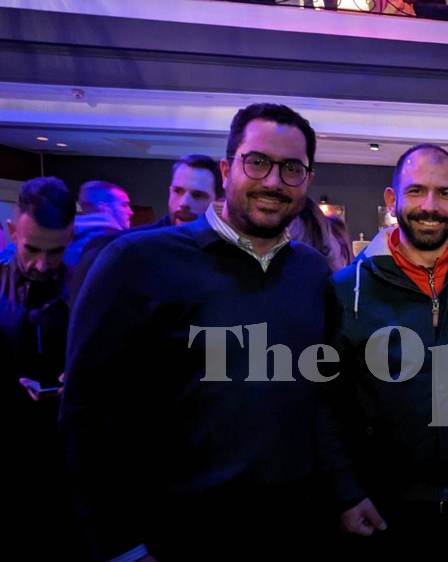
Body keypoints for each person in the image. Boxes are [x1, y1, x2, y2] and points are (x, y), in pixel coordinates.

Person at [62, 103, 353, 561]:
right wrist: (121, 546)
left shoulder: (311, 272)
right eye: (257, 162)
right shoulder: (136, 262)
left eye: (291, 168)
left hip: (295, 528)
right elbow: (86, 414)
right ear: (226, 168)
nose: (273, 181)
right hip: (176, 537)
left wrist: (344, 494)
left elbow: (318, 398)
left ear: (307, 179)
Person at [331, 143, 448, 561]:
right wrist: (347, 491)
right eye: (416, 191)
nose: (430, 206)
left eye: (444, 193)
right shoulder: (348, 288)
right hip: (385, 503)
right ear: (392, 199)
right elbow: (330, 403)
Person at [2, 176, 79, 560]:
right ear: (12, 231)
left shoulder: (85, 289)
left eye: (55, 252)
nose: (41, 264)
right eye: (32, 249)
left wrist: (80, 378)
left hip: (66, 460)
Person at [63, 180, 131, 267]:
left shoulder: (63, 237)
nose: (130, 212)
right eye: (124, 205)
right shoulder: (109, 242)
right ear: (104, 208)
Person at [149, 153, 223, 228]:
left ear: (218, 202)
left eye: (197, 195)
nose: (184, 203)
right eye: (178, 191)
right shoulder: (146, 235)